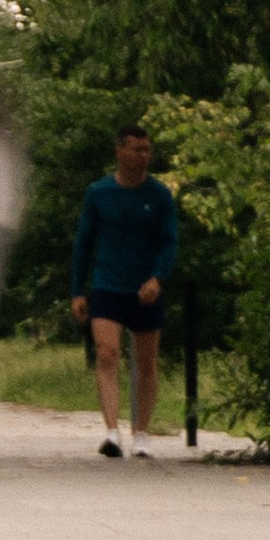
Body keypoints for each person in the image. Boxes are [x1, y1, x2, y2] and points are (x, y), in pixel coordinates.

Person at [72, 124, 179, 458]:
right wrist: (77, 290)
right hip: (107, 284)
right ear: (120, 151)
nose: (143, 156)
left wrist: (158, 278)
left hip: (145, 287)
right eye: (136, 149)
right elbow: (83, 243)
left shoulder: (159, 195)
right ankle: (112, 431)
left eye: (147, 149)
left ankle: (142, 433)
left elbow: (170, 242)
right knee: (107, 353)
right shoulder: (98, 193)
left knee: (146, 362)